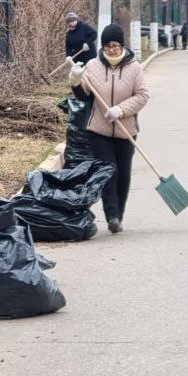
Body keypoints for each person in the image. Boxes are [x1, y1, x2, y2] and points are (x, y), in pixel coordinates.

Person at [67, 24, 150, 234]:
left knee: (123, 175)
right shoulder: (93, 66)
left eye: (114, 45)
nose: (111, 49)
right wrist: (76, 82)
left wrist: (121, 110)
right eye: (106, 46)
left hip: (125, 130)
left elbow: (142, 96)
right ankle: (112, 215)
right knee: (108, 172)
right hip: (99, 130)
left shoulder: (134, 68)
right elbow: (84, 97)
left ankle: (118, 215)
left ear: (122, 46)